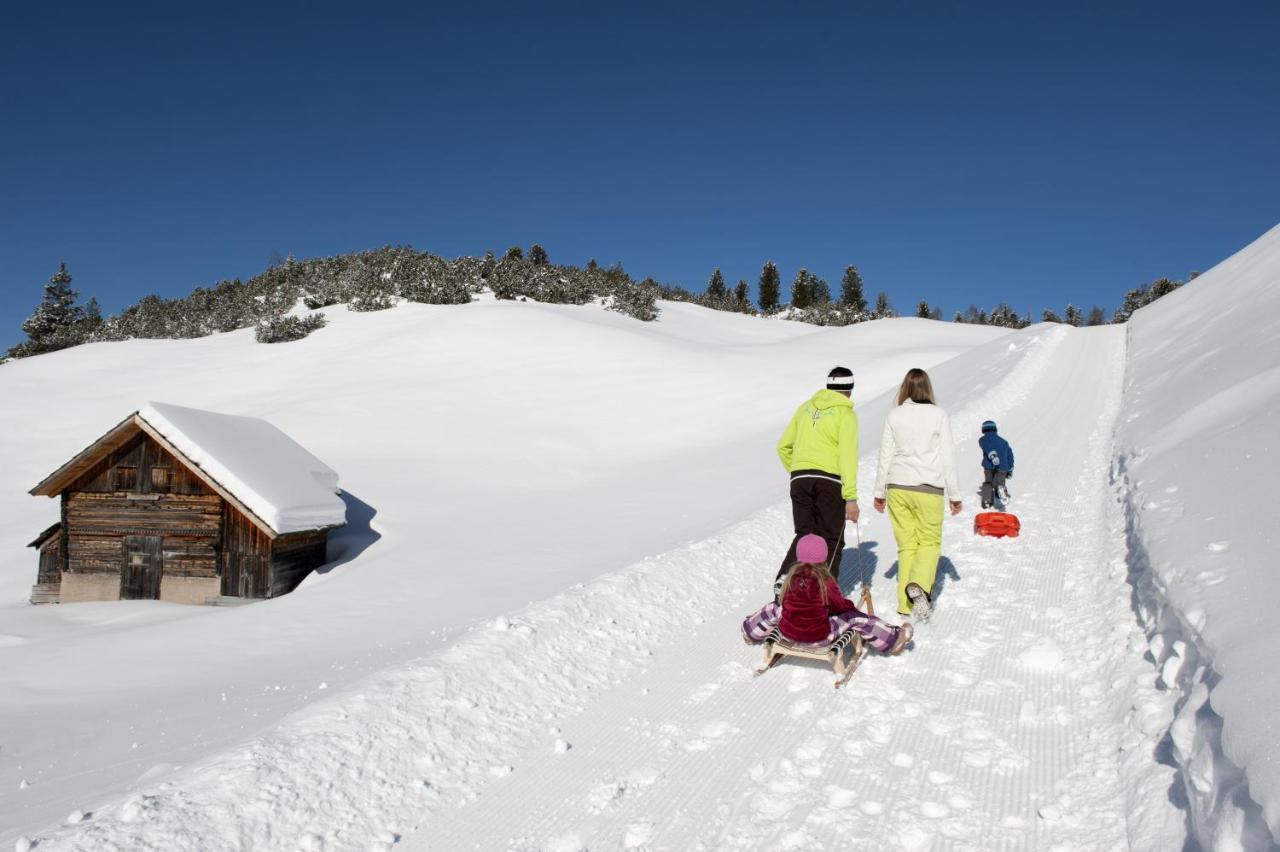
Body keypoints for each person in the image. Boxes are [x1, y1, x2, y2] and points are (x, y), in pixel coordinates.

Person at [873, 368, 962, 620]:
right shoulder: (938, 415)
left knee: (907, 545)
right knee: (929, 541)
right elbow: (947, 457)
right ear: (927, 388)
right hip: (928, 488)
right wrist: (954, 495)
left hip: (898, 486)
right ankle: (920, 586)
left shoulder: (895, 415)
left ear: (905, 388)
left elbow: (885, 456)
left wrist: (879, 492)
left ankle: (905, 604)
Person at [743, 534, 911, 653]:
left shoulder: (789, 578)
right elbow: (839, 606)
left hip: (788, 633)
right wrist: (849, 606)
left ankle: (750, 630)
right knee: (857, 618)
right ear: (823, 558)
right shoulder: (825, 582)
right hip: (819, 637)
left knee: (774, 608)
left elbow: (783, 602)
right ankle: (894, 639)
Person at [775, 366, 859, 583]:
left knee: (805, 535)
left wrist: (798, 470)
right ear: (849, 388)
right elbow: (847, 456)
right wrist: (850, 497)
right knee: (831, 538)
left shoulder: (804, 408)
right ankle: (825, 593)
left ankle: (785, 579)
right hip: (829, 481)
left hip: (800, 479)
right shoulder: (846, 414)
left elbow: (783, 446)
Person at [979, 420, 1014, 509]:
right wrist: (1010, 468)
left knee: (988, 483)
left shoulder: (983, 439)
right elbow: (1010, 455)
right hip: (1003, 466)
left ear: (984, 430)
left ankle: (987, 501)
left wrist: (993, 455)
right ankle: (1001, 490)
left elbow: (987, 446)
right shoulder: (1004, 442)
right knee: (1000, 481)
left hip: (989, 466)